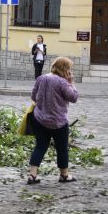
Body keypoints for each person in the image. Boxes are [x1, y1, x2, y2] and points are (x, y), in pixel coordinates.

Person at [26, 56, 79, 184]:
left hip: (40, 120)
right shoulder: (62, 82)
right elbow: (74, 97)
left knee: (40, 146)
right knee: (62, 148)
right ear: (65, 69)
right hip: (58, 122)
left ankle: (32, 175)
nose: (70, 72)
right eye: (69, 69)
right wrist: (71, 82)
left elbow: (33, 96)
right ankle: (64, 175)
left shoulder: (41, 78)